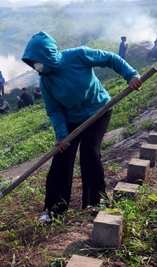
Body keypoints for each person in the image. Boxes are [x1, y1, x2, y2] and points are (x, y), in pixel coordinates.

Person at [22, 31, 142, 222]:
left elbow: (111, 59)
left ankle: (96, 202)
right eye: (32, 62)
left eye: (37, 61)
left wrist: (131, 75)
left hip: (99, 111)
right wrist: (61, 135)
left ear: (48, 55)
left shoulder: (78, 55)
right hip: (71, 119)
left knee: (90, 152)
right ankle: (53, 208)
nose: (36, 66)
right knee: (61, 158)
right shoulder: (46, 81)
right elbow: (55, 110)